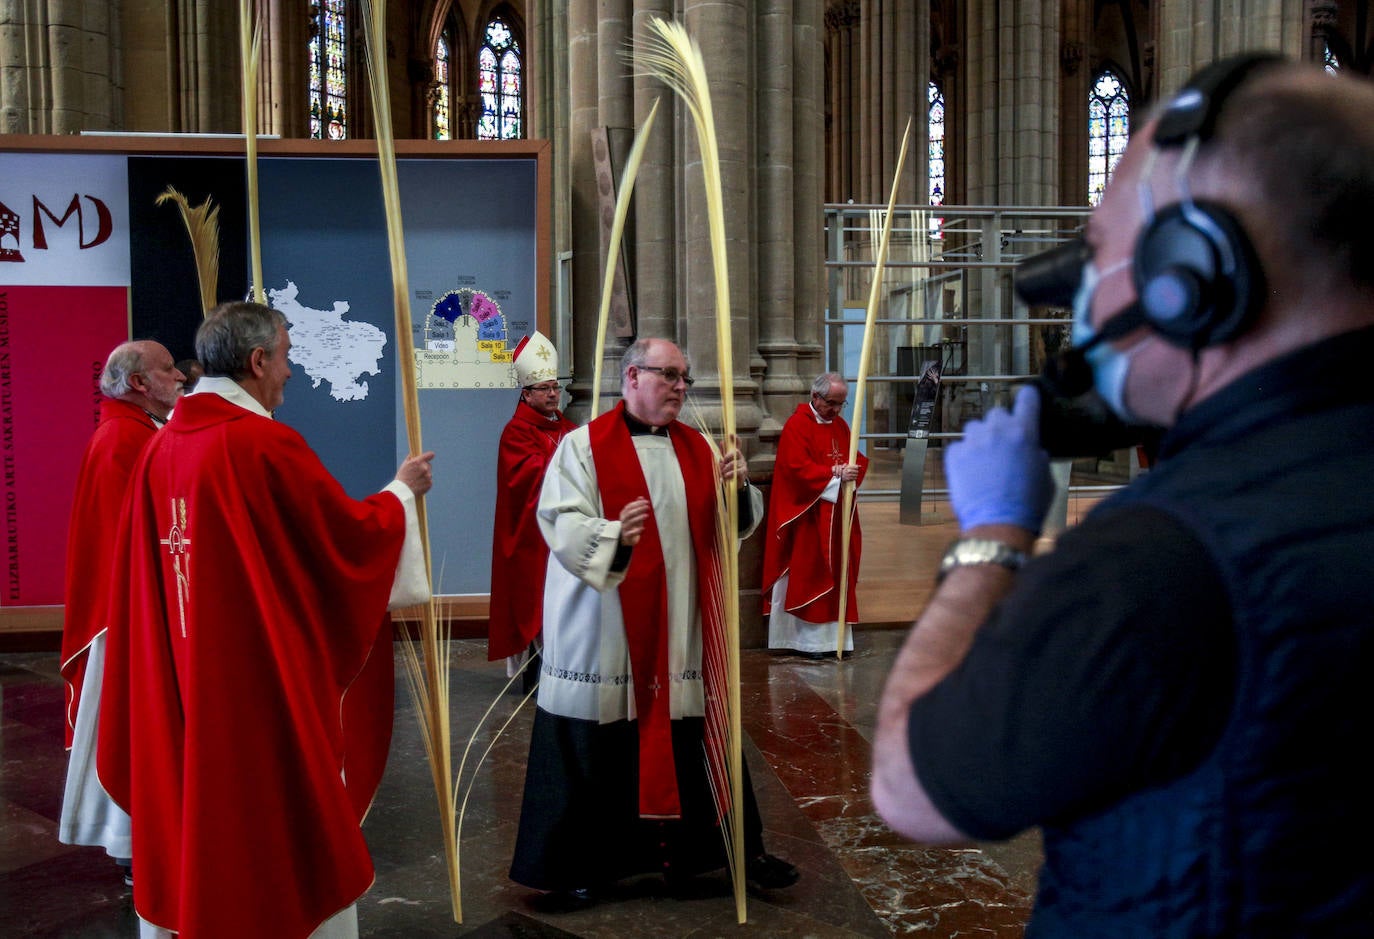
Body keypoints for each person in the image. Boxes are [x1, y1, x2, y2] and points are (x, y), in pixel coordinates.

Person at [871, 55, 1374, 935]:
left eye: (1102, 250)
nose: (1084, 296)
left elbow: (913, 790)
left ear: (1192, 274)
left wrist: (993, 530)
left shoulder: (1165, 552)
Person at [96, 301, 435, 939]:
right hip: (254, 694)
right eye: (284, 358)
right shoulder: (263, 444)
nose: (290, 373)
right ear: (256, 362)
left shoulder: (161, 445)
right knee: (272, 821)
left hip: (182, 675)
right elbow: (343, 542)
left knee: (192, 797)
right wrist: (400, 494)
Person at [510, 337, 798, 907]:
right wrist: (615, 536)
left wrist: (737, 489)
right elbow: (559, 521)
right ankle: (577, 869)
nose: (681, 387)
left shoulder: (700, 448)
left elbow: (733, 527)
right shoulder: (582, 448)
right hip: (604, 631)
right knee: (597, 747)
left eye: (684, 377)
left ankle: (717, 855)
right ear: (631, 378)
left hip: (680, 631)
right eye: (669, 375)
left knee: (696, 736)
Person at [58, 340, 185, 883]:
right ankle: (135, 845)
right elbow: (127, 544)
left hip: (137, 611)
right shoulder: (121, 441)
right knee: (134, 728)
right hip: (127, 619)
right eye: (168, 369)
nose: (180, 376)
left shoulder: (137, 432)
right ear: (139, 383)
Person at [488, 331, 577, 683]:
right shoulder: (516, 432)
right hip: (532, 536)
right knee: (536, 601)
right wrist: (566, 463)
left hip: (565, 533)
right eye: (545, 389)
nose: (554, 394)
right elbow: (526, 478)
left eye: (556, 387)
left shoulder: (569, 429)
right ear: (526, 394)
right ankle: (535, 675)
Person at [761, 372, 869, 657]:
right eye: (832, 403)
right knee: (809, 572)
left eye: (841, 404)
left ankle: (834, 641)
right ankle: (804, 642)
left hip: (835, 516)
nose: (835, 410)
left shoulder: (841, 426)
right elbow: (795, 469)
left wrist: (852, 470)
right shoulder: (796, 426)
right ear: (815, 397)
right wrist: (833, 474)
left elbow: (853, 459)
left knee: (838, 572)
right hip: (807, 516)